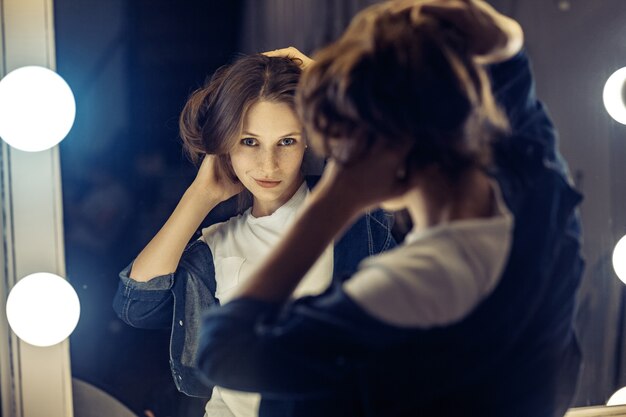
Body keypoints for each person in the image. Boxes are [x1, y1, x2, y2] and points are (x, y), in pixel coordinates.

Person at [195, 1, 584, 416]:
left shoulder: (403, 293)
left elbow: (223, 351)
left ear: (374, 152)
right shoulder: (545, 204)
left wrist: (334, 201)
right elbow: (509, 69)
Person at [112, 54, 396, 417]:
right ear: (226, 144)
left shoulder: (356, 218)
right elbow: (135, 305)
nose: (268, 165)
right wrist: (201, 195)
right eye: (249, 142)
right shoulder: (217, 245)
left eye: (287, 141)